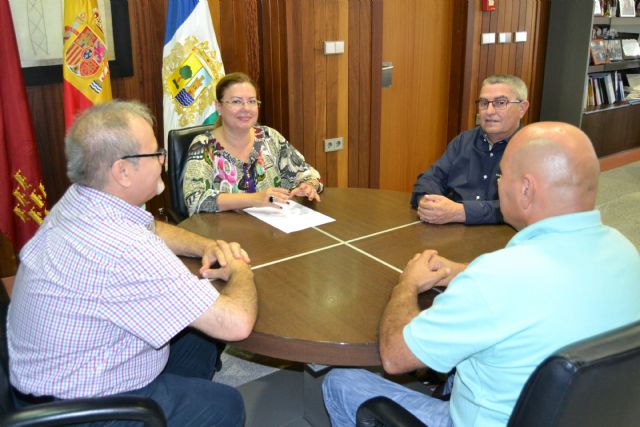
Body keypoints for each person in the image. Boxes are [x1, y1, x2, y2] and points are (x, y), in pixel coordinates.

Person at [323, 122, 640, 427]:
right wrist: (457, 271)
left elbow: (395, 357)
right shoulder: (625, 252)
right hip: (589, 415)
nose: (498, 183)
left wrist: (406, 284)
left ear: (526, 189)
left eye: (502, 176)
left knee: (341, 382)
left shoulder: (496, 278)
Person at [7, 100, 258, 427]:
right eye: (155, 154)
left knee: (198, 339)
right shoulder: (123, 247)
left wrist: (207, 245)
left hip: (48, 381)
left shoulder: (82, 200)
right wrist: (238, 267)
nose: (164, 162)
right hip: (79, 411)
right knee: (224, 404)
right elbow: (237, 323)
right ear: (122, 171)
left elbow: (149, 225)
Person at [183, 72, 323, 215]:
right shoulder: (204, 145)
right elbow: (195, 199)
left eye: (251, 101)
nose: (246, 108)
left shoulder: (269, 137)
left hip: (273, 229)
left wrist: (308, 186)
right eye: (236, 101)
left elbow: (307, 173)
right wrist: (253, 199)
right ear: (218, 106)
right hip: (225, 233)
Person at [411, 74, 529, 225]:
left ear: (522, 108)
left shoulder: (532, 150)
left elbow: (523, 206)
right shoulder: (464, 141)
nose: (489, 111)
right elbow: (430, 178)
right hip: (450, 231)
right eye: (484, 103)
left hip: (503, 236)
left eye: (500, 102)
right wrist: (428, 202)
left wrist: (462, 212)